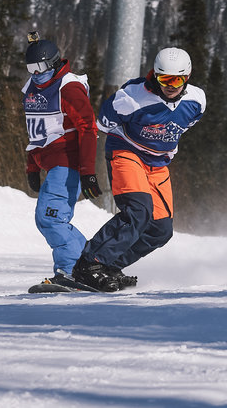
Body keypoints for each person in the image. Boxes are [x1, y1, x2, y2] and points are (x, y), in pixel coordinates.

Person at [72, 47, 205, 291]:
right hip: (128, 152)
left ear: (187, 77)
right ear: (155, 75)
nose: (170, 86)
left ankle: (110, 265)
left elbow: (188, 123)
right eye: (164, 79)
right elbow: (104, 123)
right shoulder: (131, 97)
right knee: (138, 211)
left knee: (161, 230)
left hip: (158, 163)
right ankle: (89, 264)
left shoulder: (197, 101)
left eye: (177, 80)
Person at [22, 32, 102, 283]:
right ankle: (93, 264)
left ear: (55, 63)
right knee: (49, 218)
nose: (36, 74)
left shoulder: (69, 87)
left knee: (50, 217)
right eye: (31, 68)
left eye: (41, 67)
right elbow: (36, 130)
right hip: (50, 162)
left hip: (68, 162)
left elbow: (88, 129)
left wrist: (88, 171)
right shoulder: (31, 88)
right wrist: (31, 167)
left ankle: (71, 270)